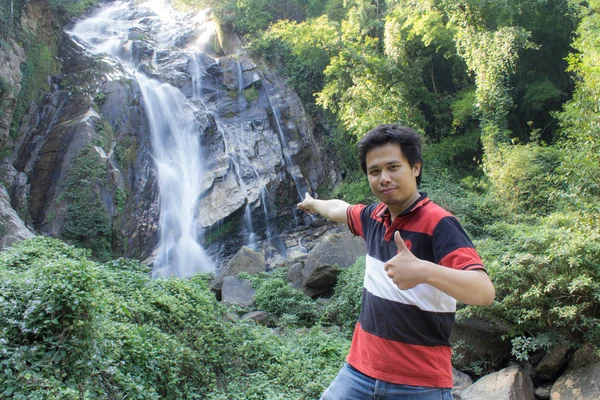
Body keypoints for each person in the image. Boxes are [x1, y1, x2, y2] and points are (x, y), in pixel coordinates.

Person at [297, 124, 495, 400]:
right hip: (359, 372)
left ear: (415, 167)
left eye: (393, 167)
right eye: (374, 171)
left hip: (419, 384)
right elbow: (339, 209)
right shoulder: (373, 216)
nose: (384, 178)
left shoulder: (440, 224)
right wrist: (313, 203)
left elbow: (484, 291)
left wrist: (424, 271)